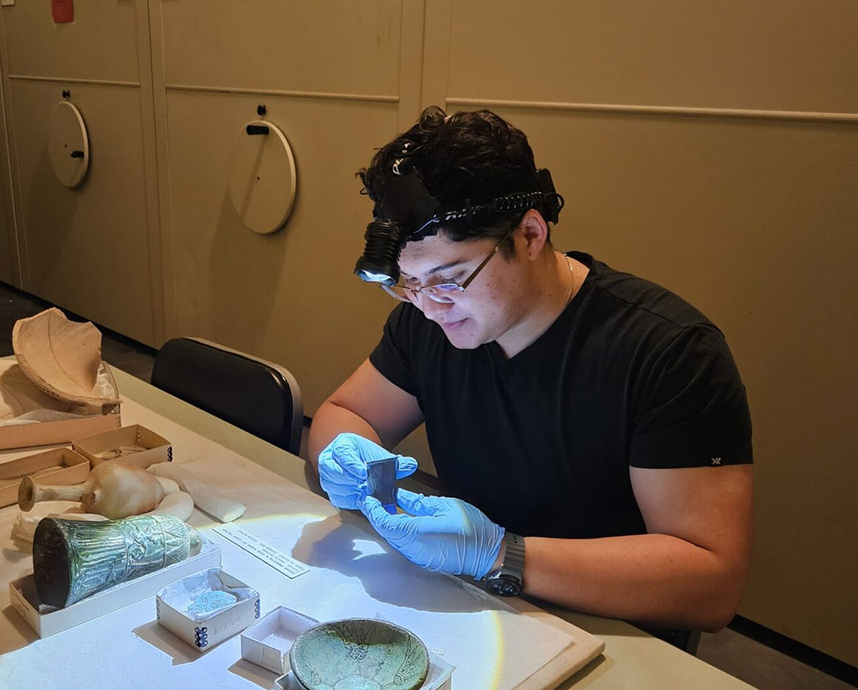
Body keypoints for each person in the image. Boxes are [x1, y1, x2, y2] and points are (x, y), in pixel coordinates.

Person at [308, 107, 753, 633]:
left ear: (530, 235)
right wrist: (353, 467)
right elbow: (345, 412)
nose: (428, 306)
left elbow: (711, 583)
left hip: (607, 630)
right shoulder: (430, 321)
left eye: (448, 278)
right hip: (471, 607)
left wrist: (502, 556)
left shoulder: (668, 353)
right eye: (408, 282)